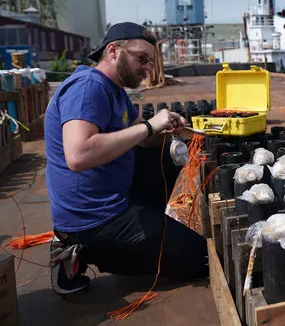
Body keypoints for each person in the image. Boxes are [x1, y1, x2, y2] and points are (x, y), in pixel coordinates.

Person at [45, 22, 208, 295]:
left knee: (168, 154)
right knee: (200, 257)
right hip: (93, 217)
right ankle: (79, 248)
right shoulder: (88, 88)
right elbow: (78, 155)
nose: (147, 68)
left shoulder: (115, 89)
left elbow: (142, 138)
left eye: (149, 62)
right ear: (113, 51)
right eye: (141, 59)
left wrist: (178, 133)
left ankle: (147, 231)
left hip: (113, 196)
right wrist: (150, 125)